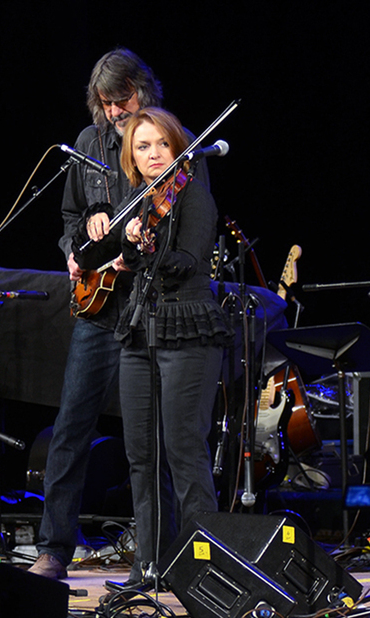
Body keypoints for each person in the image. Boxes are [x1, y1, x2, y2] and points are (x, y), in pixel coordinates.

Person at [29, 48, 207, 581]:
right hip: (100, 304)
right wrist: (77, 239)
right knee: (71, 427)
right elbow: (68, 218)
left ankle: (169, 556)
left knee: (160, 443)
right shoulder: (87, 145)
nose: (114, 112)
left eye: (122, 99)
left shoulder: (165, 145)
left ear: (143, 90)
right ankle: (54, 548)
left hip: (152, 306)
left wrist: (138, 235)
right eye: (105, 103)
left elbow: (186, 226)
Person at [111, 107, 230, 591]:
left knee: (183, 448)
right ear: (132, 159)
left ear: (177, 147)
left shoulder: (195, 196)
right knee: (140, 453)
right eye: (143, 147)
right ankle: (151, 564)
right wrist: (115, 239)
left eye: (161, 144)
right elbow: (112, 262)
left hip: (189, 327)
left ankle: (204, 567)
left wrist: (146, 245)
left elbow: (185, 261)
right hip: (141, 329)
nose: (154, 154)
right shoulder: (136, 204)